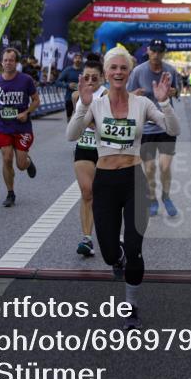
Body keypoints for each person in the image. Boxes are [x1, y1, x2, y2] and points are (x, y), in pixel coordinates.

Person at [66, 45, 179, 329]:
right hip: (104, 181)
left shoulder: (141, 104)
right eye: (113, 68)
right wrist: (82, 105)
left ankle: (131, 306)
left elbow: (173, 129)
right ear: (105, 73)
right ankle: (118, 258)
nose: (118, 72)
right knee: (108, 253)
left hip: (133, 180)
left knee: (134, 247)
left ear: (130, 72)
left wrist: (165, 104)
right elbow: (72, 135)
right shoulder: (96, 103)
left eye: (123, 68)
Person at [127, 38, 182, 217]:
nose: (156, 55)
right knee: (150, 168)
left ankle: (166, 196)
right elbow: (126, 94)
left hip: (166, 126)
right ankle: (152, 198)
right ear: (148, 51)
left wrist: (174, 92)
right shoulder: (138, 71)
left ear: (164, 53)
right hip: (146, 128)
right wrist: (134, 95)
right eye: (154, 51)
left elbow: (178, 90)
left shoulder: (170, 70)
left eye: (160, 52)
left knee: (165, 167)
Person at [0, 48, 39, 208]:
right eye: (5, 60)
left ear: (16, 63)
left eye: (11, 60)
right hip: (3, 126)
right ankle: (10, 193)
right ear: (1, 62)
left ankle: (28, 162)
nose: (8, 63)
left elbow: (36, 101)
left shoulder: (26, 80)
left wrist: (26, 112)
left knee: (20, 164)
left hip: (22, 127)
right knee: (7, 158)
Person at [71, 58, 108, 257]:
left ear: (102, 78)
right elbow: (73, 125)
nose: (90, 81)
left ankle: (112, 232)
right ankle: (87, 239)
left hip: (105, 150)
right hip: (84, 146)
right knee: (87, 192)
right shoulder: (76, 95)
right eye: (87, 77)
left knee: (107, 197)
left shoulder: (109, 95)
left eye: (94, 77)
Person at [58, 52, 84, 120]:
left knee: (79, 117)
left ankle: (78, 130)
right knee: (69, 117)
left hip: (81, 98)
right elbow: (58, 82)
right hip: (69, 98)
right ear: (73, 59)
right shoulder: (68, 70)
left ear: (82, 60)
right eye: (76, 58)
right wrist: (68, 85)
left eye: (79, 58)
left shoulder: (84, 71)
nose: (78, 60)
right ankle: (70, 129)